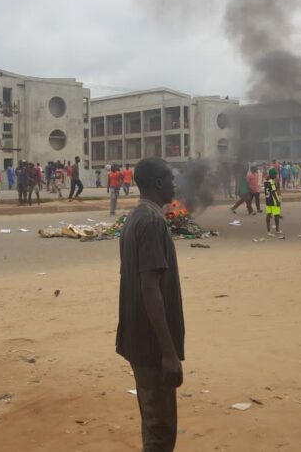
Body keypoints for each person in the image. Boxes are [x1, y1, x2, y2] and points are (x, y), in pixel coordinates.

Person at [116, 157, 184, 452]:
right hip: (152, 345)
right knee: (161, 430)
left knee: (152, 419)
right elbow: (149, 288)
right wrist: (168, 354)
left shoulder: (136, 217)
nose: (174, 183)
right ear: (158, 183)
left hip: (137, 338)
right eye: (170, 178)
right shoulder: (153, 222)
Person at [264, 168, 282, 235]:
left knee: (268, 215)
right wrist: (277, 201)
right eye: (275, 174)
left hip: (268, 201)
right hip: (273, 201)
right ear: (273, 175)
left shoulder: (266, 182)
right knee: (276, 215)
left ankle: (268, 231)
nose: (276, 175)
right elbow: (274, 192)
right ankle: (277, 230)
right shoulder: (272, 182)